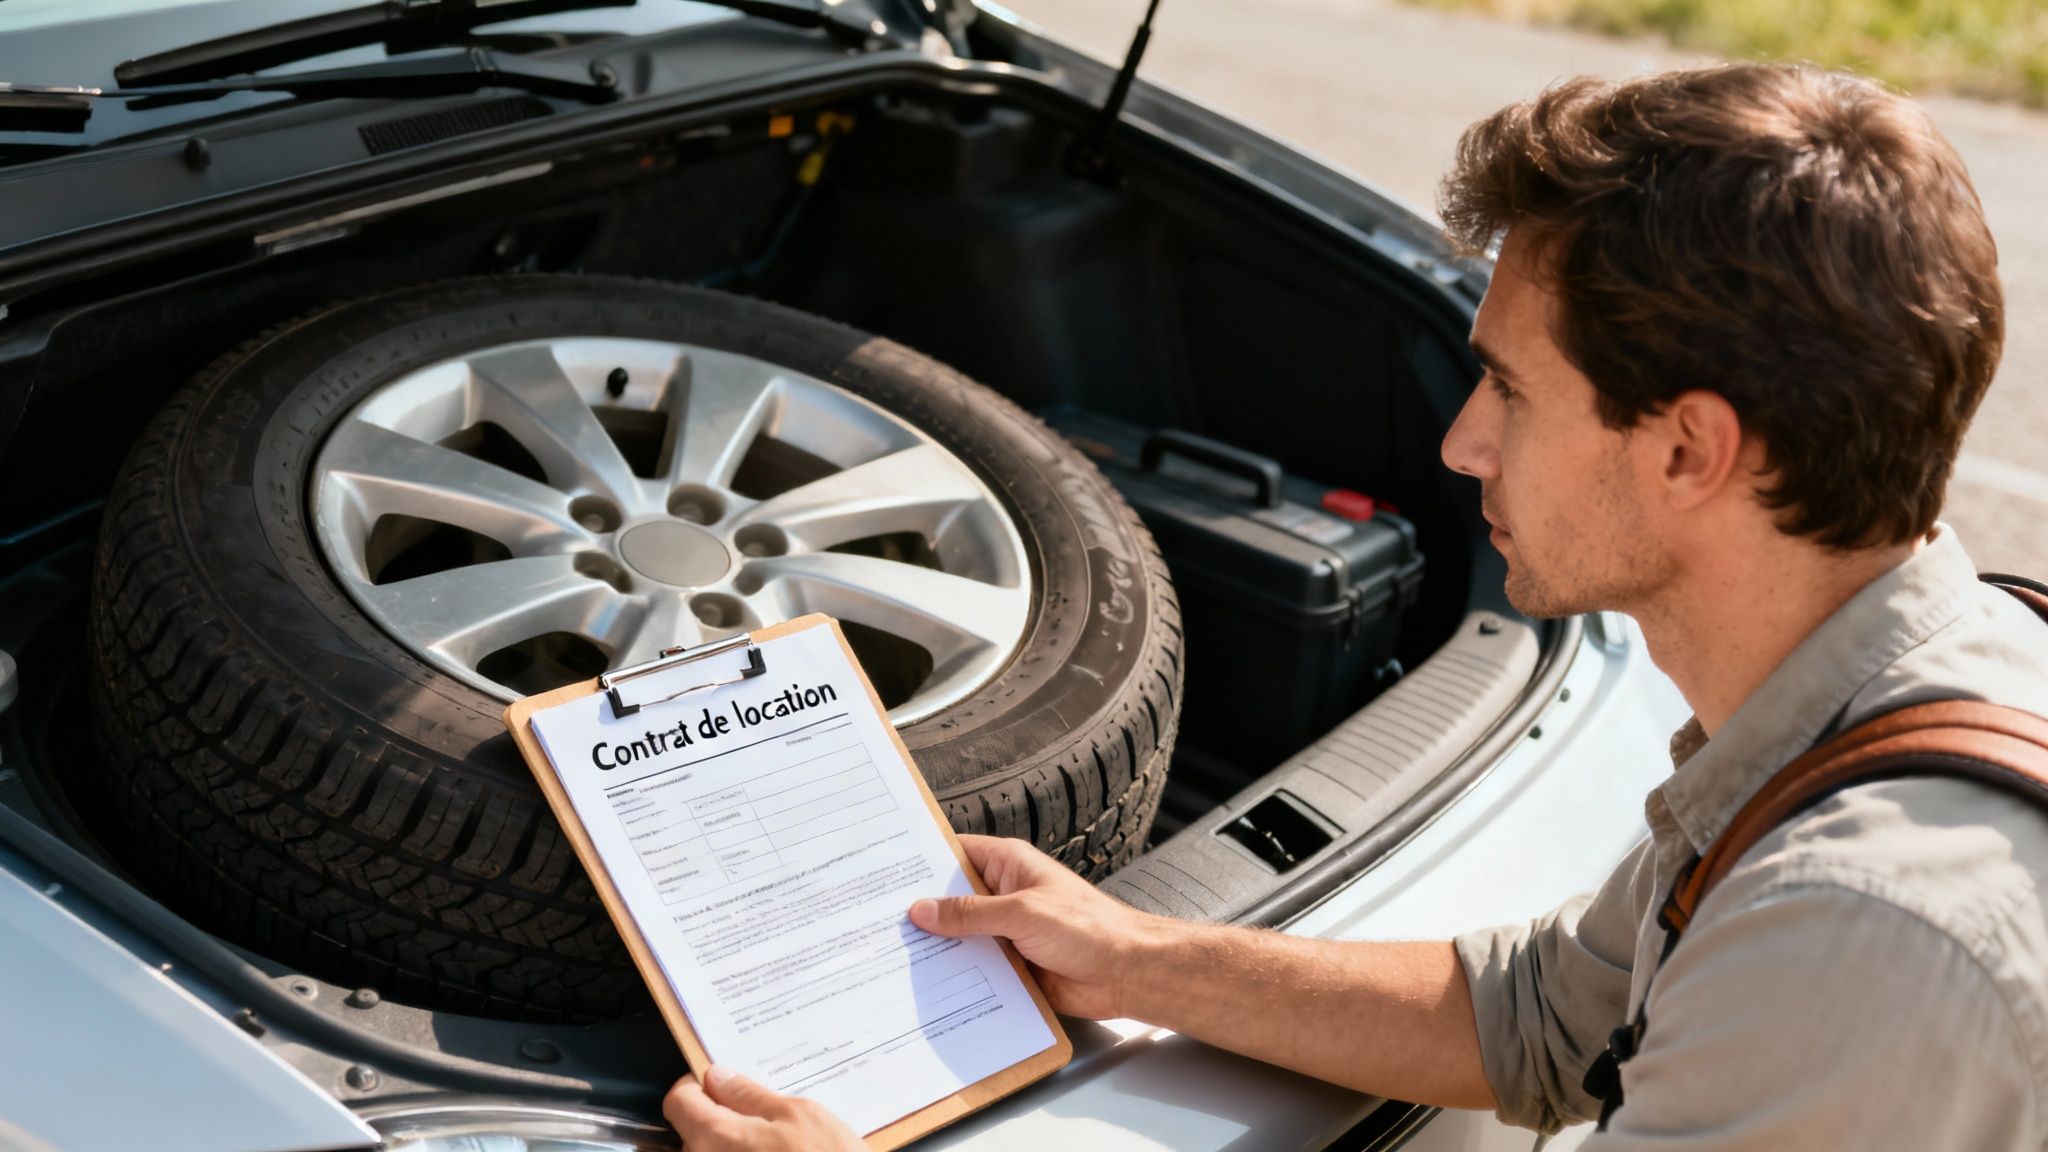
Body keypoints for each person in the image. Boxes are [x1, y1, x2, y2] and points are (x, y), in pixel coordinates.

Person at [666, 61, 2048, 1150]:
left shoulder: (1864, 935)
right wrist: (1130, 956)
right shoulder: (1887, 696)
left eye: (1510, 389)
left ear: (1691, 449)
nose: (1462, 447)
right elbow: (1542, 1019)